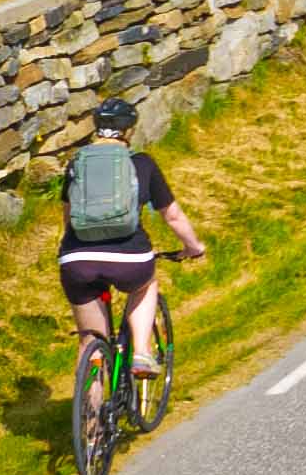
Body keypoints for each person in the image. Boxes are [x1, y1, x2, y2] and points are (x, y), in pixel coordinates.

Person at [59, 96, 202, 377]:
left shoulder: (77, 164)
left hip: (77, 259)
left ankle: (90, 420)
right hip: (130, 257)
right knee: (146, 285)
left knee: (90, 341)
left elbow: (68, 217)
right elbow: (172, 216)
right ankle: (141, 353)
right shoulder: (142, 163)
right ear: (129, 130)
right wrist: (193, 247)